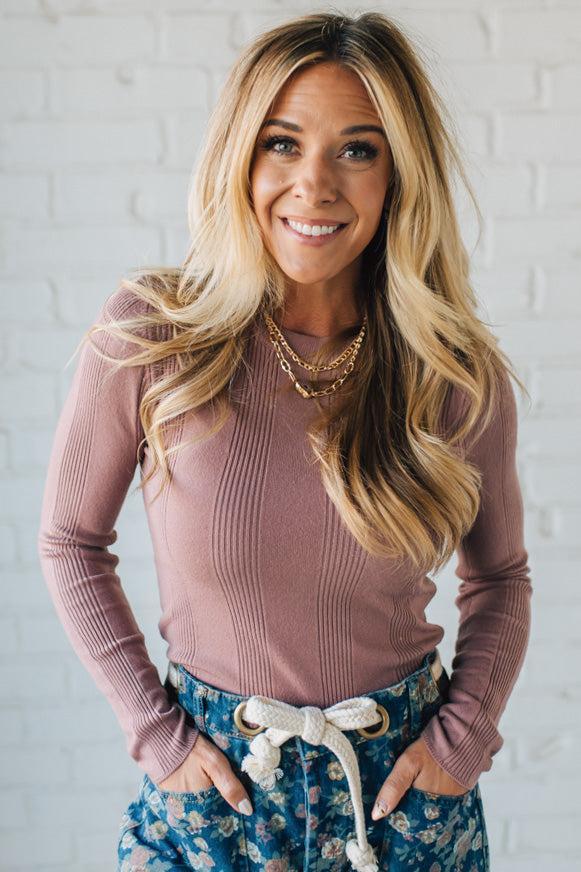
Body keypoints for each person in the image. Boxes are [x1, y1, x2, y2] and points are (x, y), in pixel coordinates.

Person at [37, 11, 532, 872]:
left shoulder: (451, 372)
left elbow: (500, 578)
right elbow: (69, 541)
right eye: (281, 143)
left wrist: (460, 744)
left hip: (402, 802)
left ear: (398, 175)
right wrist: (156, 736)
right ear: (240, 155)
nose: (314, 185)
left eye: (357, 149)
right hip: (210, 791)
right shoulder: (154, 336)